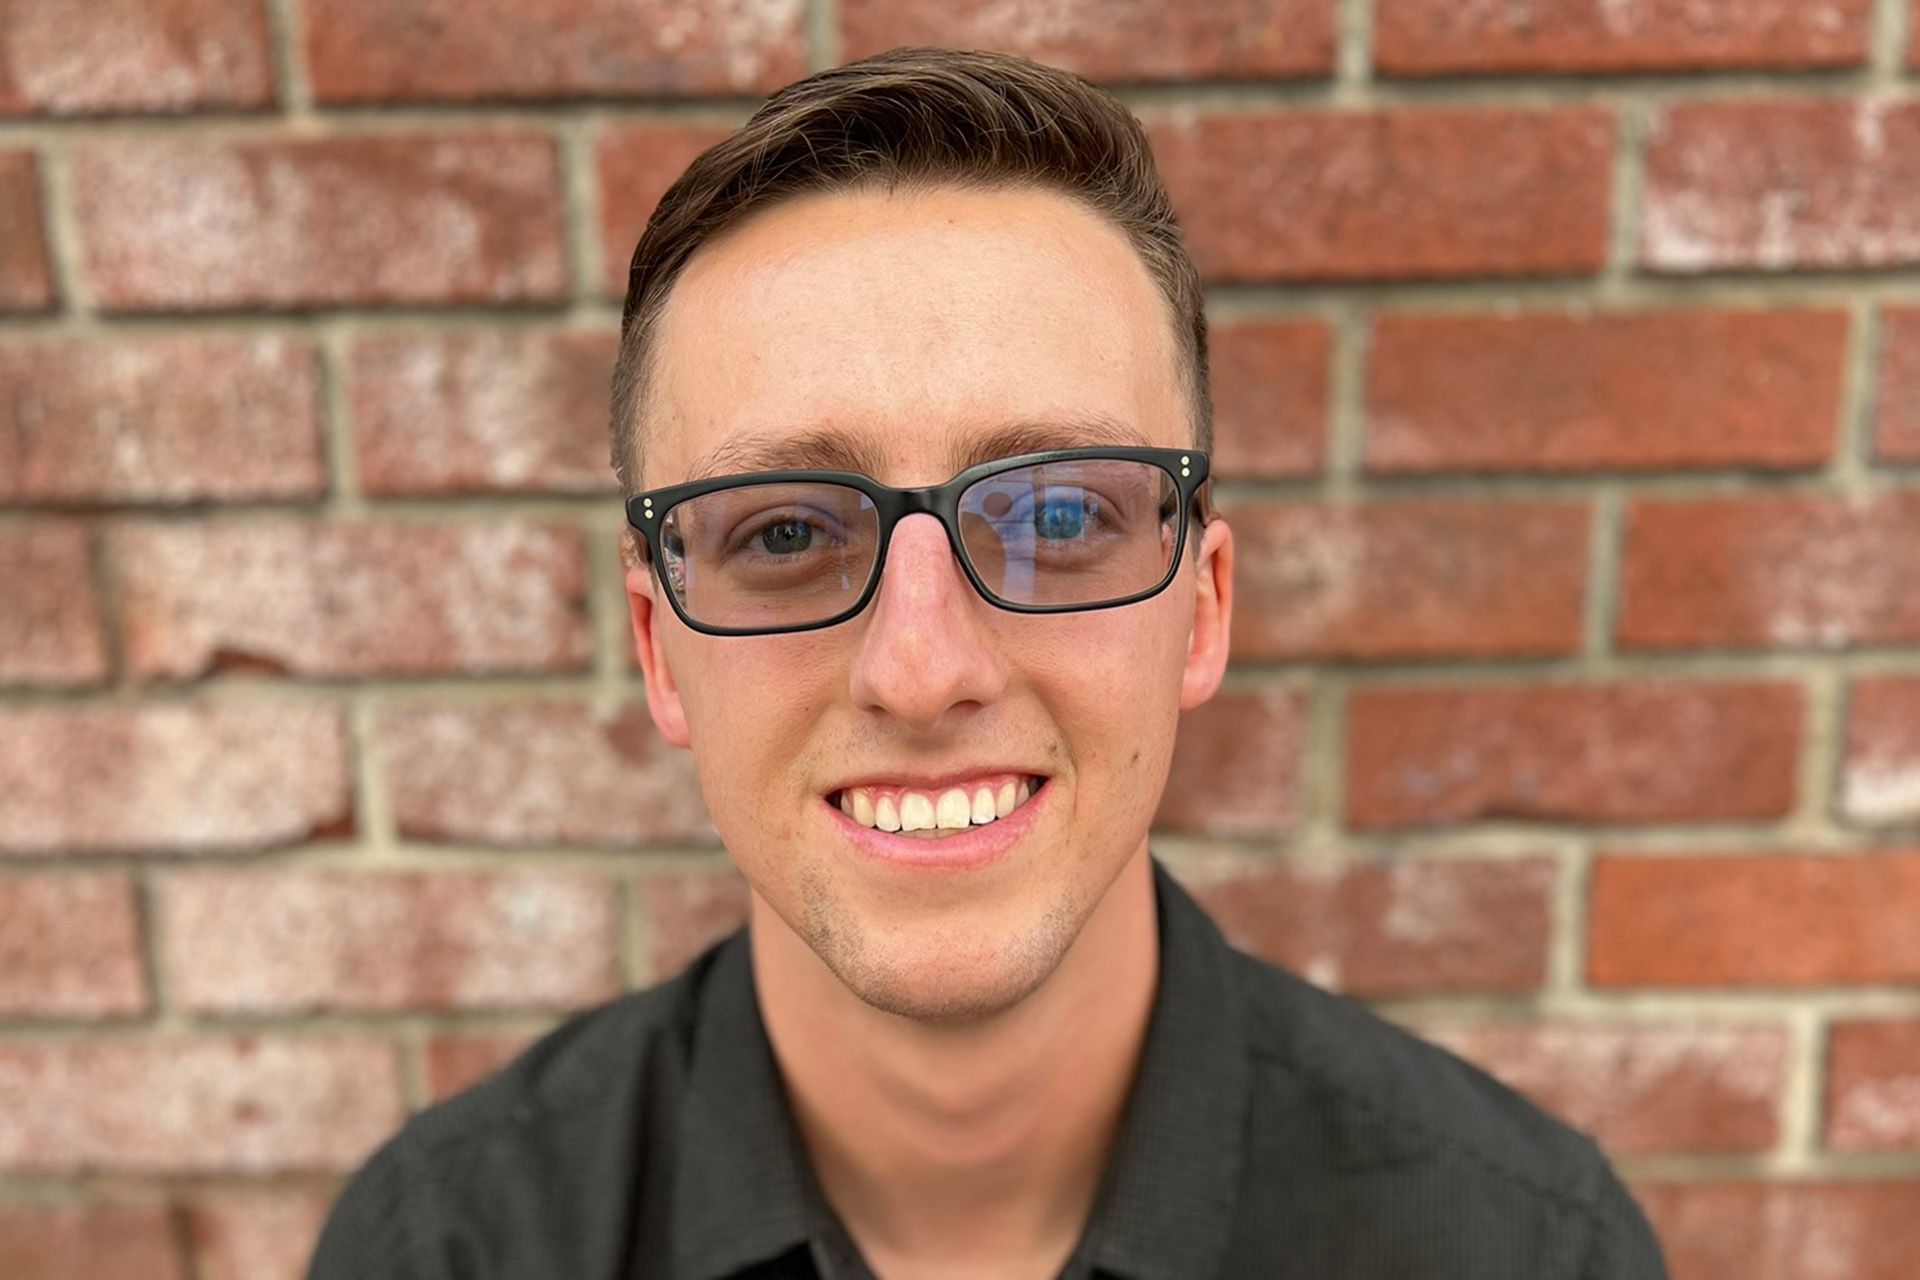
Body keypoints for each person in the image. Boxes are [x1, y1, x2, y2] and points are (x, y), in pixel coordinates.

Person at [307, 46, 1669, 1280]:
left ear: (1201, 610)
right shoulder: (447, 1247)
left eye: (1060, 516)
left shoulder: (1527, 1248)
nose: (920, 669)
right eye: (786, 531)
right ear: (662, 649)